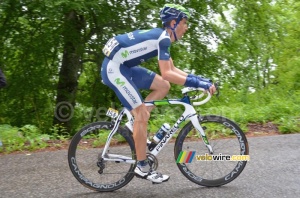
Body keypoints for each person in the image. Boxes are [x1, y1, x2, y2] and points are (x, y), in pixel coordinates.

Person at [101, 4, 216, 184]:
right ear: (173, 23)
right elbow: (167, 72)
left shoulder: (163, 38)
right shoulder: (163, 39)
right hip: (114, 69)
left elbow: (172, 69)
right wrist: (198, 83)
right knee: (141, 114)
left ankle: (135, 124)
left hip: (124, 67)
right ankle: (142, 166)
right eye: (184, 22)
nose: (186, 27)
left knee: (163, 86)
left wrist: (200, 80)